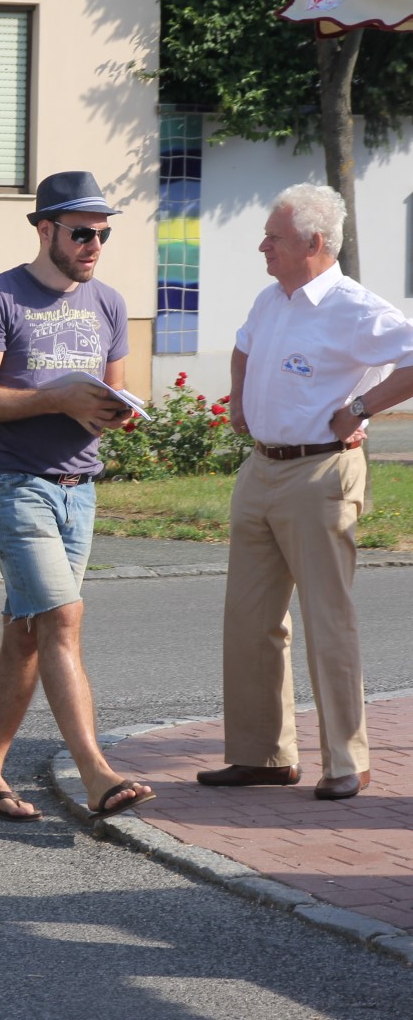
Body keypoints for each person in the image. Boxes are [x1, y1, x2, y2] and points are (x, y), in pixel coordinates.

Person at [198, 183, 413, 801]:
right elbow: (241, 348)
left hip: (321, 474)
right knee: (249, 620)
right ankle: (262, 756)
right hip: (260, 470)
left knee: (327, 620)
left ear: (314, 244)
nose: (262, 245)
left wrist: (364, 406)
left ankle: (348, 761)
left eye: (274, 237)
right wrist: (239, 403)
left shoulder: (353, 306)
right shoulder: (272, 299)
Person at [0, 170, 155, 823]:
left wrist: (111, 410)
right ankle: (98, 774)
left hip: (79, 489)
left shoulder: (109, 304)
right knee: (63, 619)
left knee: (28, 634)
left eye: (103, 233)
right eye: (82, 232)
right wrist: (53, 397)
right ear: (46, 231)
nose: (94, 244)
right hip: (11, 483)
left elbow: (109, 395)